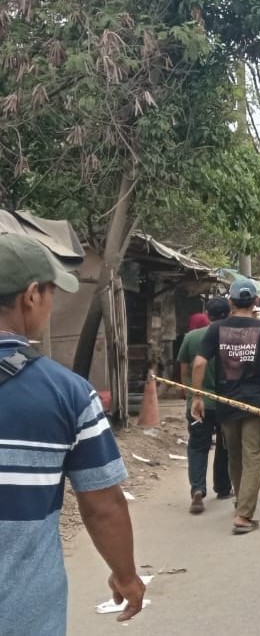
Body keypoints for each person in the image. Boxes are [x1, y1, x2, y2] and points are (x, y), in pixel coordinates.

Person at [0, 233, 145, 632]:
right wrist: (126, 576)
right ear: (31, 296)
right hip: (23, 613)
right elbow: (103, 505)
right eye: (50, 293)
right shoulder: (68, 393)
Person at [191, 278, 260, 534]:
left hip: (227, 404)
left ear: (230, 302)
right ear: (256, 302)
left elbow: (199, 364)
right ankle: (244, 515)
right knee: (255, 456)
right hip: (257, 404)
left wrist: (197, 397)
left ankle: (242, 502)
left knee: (236, 456)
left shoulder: (215, 330)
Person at [177, 297, 232, 514]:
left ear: (207, 314)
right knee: (225, 445)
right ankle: (223, 486)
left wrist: (188, 392)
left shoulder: (191, 337)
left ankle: (197, 489)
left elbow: (184, 370)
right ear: (228, 313)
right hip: (226, 402)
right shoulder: (233, 338)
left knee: (198, 446)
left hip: (198, 403)